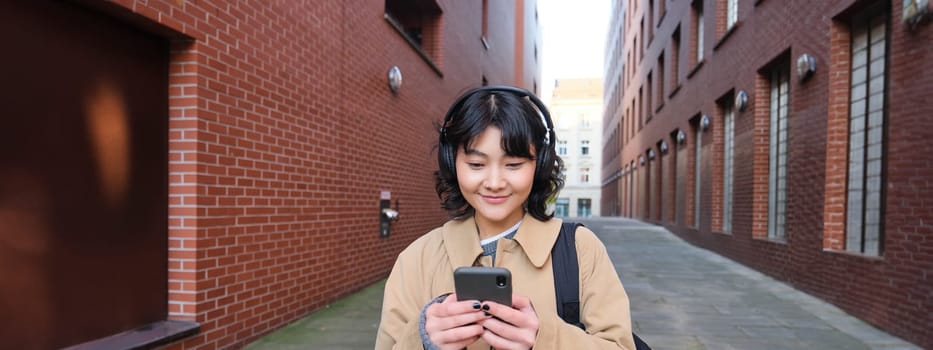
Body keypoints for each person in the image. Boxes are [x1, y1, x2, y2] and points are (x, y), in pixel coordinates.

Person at [375, 86, 636, 350]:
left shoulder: (580, 249)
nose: (495, 183)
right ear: (452, 163)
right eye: (476, 165)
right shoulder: (417, 259)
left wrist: (545, 338)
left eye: (513, 165)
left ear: (541, 164)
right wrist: (423, 340)